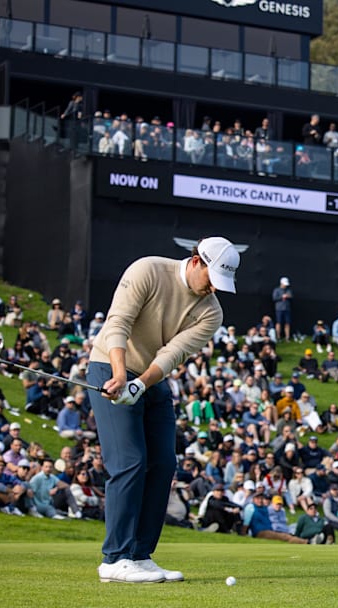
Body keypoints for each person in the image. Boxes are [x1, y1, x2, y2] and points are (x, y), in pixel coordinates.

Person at [86, 236, 237, 584]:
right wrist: (122, 376)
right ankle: (114, 559)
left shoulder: (212, 311)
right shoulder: (148, 270)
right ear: (196, 261)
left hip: (152, 379)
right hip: (109, 365)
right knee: (129, 461)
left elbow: (172, 354)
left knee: (164, 463)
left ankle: (140, 554)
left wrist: (140, 384)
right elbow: (117, 324)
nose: (213, 289)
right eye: (211, 279)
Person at [271, 277, 293, 343]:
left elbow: (291, 296)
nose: (285, 286)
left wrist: (288, 296)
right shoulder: (277, 290)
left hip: (287, 308)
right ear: (281, 283)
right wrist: (282, 297)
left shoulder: (288, 290)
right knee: (279, 323)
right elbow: (274, 298)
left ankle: (287, 337)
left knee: (287, 323)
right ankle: (278, 337)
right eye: (284, 284)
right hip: (279, 309)